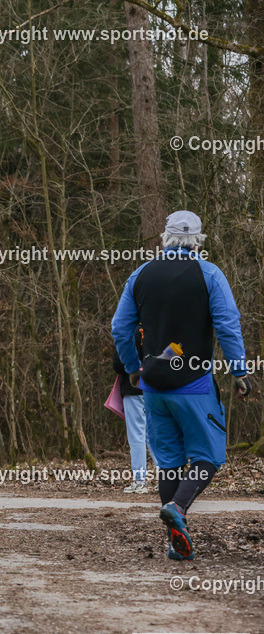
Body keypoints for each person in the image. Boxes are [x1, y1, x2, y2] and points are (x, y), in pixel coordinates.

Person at [112, 210, 252, 561]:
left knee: (170, 463)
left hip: (153, 386)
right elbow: (227, 324)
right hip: (194, 384)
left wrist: (133, 368)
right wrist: (240, 371)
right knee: (209, 457)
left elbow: (119, 327)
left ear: (166, 237)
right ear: (198, 240)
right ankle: (178, 507)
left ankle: (175, 543)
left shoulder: (141, 274)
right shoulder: (209, 274)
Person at [111, 326, 157, 494]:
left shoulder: (129, 331)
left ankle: (140, 481)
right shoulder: (157, 328)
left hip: (133, 388)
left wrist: (133, 368)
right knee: (152, 434)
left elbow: (117, 363)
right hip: (155, 389)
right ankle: (166, 477)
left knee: (136, 435)